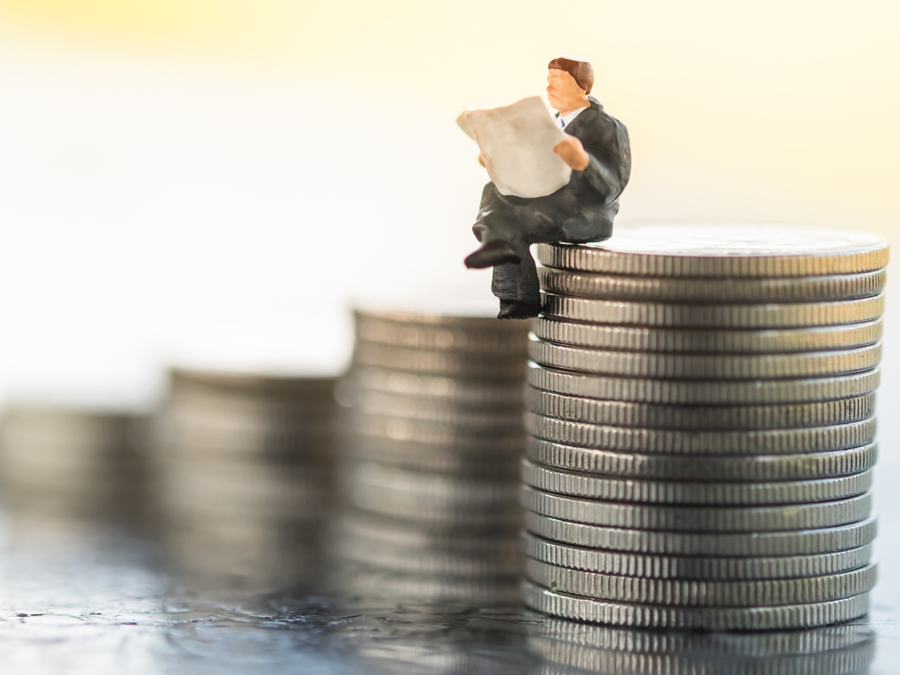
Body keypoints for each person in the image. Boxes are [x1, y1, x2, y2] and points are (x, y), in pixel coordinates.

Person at [464, 57, 631, 319]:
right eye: (548, 81)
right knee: (493, 190)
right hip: (545, 197)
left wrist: (583, 162)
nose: (549, 88)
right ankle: (496, 244)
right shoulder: (548, 124)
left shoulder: (608, 127)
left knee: (512, 223)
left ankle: (515, 287)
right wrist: (497, 159)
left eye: (557, 82)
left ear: (582, 87)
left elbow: (612, 188)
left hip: (583, 211)